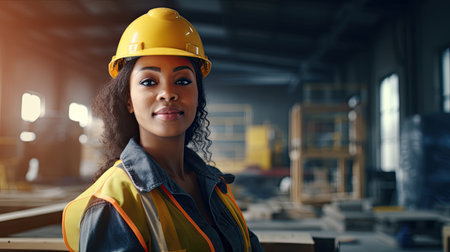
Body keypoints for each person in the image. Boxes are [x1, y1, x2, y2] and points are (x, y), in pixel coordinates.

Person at [62, 7, 264, 252]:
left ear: (198, 96)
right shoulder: (115, 203)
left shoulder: (215, 186)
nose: (168, 93)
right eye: (149, 81)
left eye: (182, 81)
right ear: (128, 100)